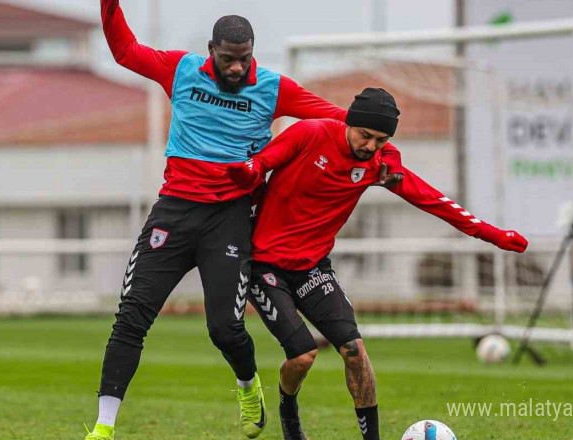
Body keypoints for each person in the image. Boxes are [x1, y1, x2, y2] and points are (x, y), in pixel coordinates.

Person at [88, 2, 404, 440]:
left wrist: (389, 154)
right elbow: (124, 50)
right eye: (228, 58)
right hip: (174, 212)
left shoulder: (274, 88)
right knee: (131, 318)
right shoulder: (179, 70)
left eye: (245, 58)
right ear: (210, 50)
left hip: (231, 220)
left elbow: (347, 122)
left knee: (225, 328)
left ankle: (247, 385)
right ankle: (104, 428)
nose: (237, 67)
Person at [225, 88, 528, 440]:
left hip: (312, 267)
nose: (370, 145)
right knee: (304, 354)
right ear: (348, 123)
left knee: (354, 351)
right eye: (364, 135)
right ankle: (288, 412)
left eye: (380, 139)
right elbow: (262, 163)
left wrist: (490, 234)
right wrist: (247, 172)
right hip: (265, 266)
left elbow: (433, 200)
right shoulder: (310, 133)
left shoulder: (381, 164)